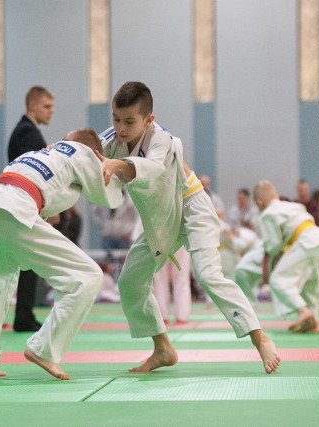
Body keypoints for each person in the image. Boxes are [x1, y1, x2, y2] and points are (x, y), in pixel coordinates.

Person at [100, 81, 280, 374]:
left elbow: (153, 169)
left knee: (209, 275)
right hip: (163, 216)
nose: (121, 127)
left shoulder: (163, 140)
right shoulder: (114, 140)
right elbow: (86, 148)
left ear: (149, 120)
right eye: (116, 119)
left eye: (130, 121)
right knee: (130, 280)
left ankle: (260, 339)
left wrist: (113, 165)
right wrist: (60, 149)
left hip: (192, 207)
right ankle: (162, 348)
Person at [0, 128, 123, 380]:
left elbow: (56, 194)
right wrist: (112, 170)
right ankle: (45, 350)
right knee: (88, 276)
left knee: (0, 286)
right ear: (95, 153)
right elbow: (109, 198)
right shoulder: (80, 152)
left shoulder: (38, 154)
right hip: (16, 214)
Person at [6, 86, 55, 332]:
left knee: (26, 262)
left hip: (22, 203)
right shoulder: (28, 133)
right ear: (32, 106)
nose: (51, 112)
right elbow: (35, 173)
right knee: (25, 262)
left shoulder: (25, 131)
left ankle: (23, 314)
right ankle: (22, 315)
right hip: (26, 204)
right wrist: (49, 204)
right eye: (46, 106)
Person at [253, 180, 319, 333]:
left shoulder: (267, 214)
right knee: (310, 282)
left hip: (304, 241)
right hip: (318, 238)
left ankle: (304, 312)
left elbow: (274, 245)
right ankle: (314, 320)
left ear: (259, 202)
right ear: (276, 195)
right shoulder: (293, 205)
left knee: (277, 279)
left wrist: (269, 249)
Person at [91, 189, 138, 254]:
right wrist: (102, 225)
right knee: (107, 261)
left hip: (123, 237)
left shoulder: (129, 199)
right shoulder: (105, 196)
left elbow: (136, 217)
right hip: (108, 236)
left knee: (124, 260)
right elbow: (95, 212)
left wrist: (131, 232)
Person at [153, 246, 192, 324]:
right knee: (180, 278)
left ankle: (162, 316)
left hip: (157, 240)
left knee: (160, 278)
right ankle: (182, 316)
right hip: (180, 239)